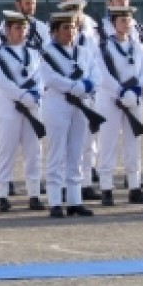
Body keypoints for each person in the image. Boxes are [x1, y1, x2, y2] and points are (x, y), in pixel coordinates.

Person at [38, 12, 97, 218]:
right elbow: (50, 78)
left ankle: (75, 200)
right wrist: (75, 86)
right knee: (56, 154)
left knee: (76, 154)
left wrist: (85, 86)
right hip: (57, 104)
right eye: (65, 27)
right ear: (54, 31)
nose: (71, 31)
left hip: (80, 105)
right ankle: (55, 201)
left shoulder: (83, 52)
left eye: (73, 27)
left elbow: (95, 74)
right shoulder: (47, 53)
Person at [0, 11, 46, 213]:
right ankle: (2, 193)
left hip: (31, 108)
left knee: (34, 152)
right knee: (6, 151)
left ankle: (34, 194)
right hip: (9, 109)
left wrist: (35, 95)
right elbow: (2, 82)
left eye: (23, 28)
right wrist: (22, 96)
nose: (21, 32)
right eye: (16, 28)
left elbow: (40, 78)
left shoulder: (33, 53)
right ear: (7, 31)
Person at [94, 6, 143, 206]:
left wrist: (136, 90)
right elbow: (103, 75)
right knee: (107, 144)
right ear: (113, 23)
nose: (126, 24)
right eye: (122, 20)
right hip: (111, 99)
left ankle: (134, 185)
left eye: (129, 20)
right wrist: (120, 92)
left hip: (133, 99)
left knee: (133, 144)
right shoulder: (104, 47)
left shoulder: (138, 46)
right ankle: (106, 188)